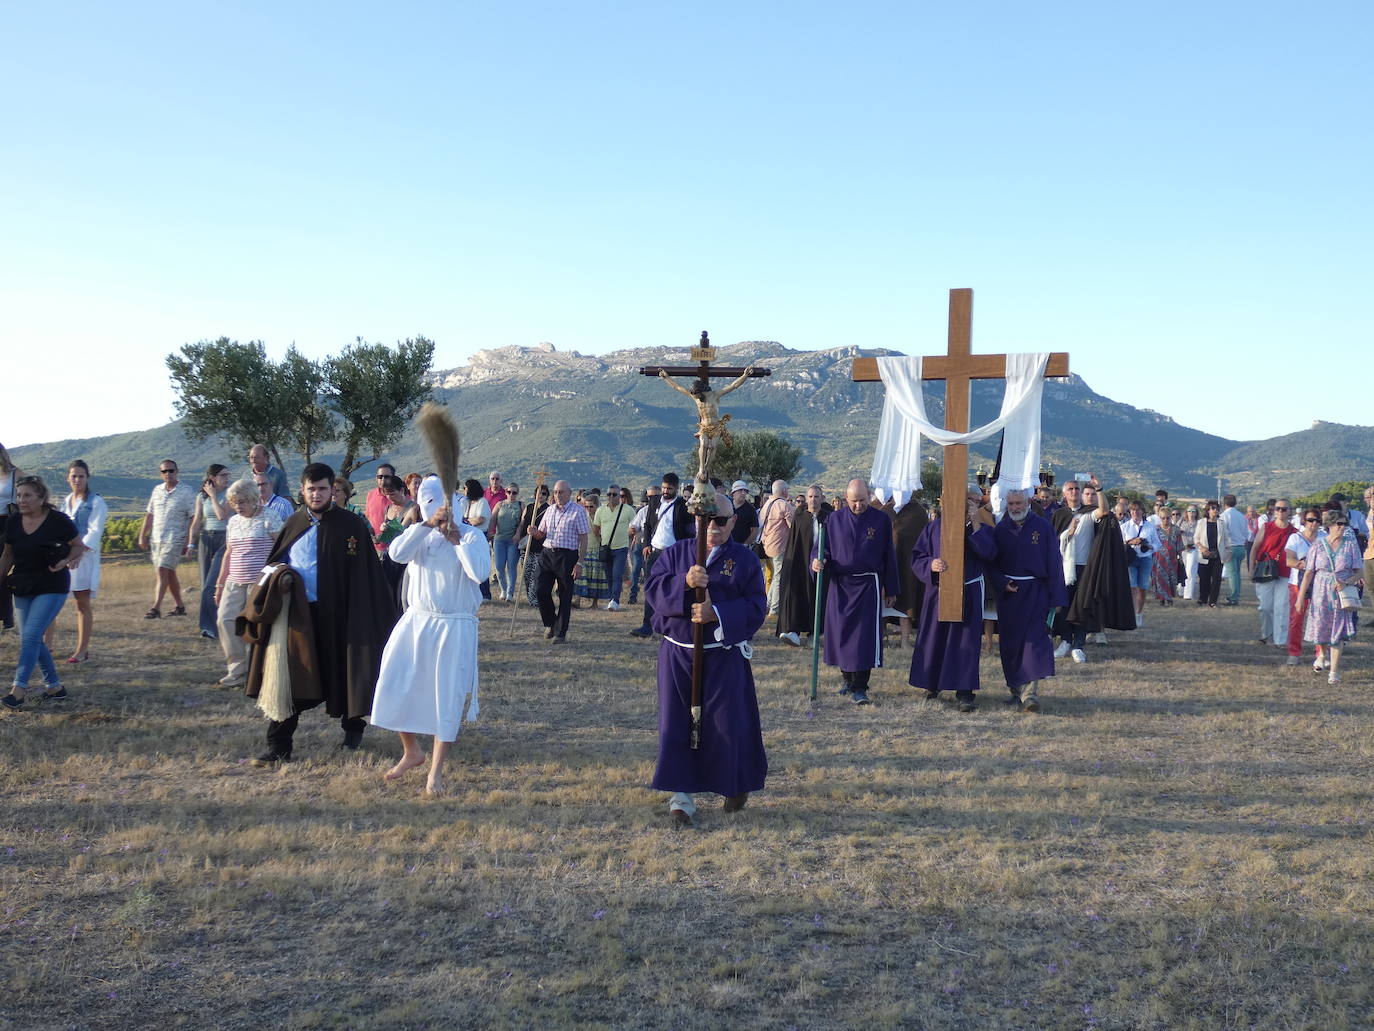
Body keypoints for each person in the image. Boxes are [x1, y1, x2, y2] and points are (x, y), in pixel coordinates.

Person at [247, 463, 398, 764]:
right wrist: (281, 575)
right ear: (302, 491)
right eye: (311, 489)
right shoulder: (293, 523)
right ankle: (279, 747)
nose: (317, 494)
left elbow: (367, 573)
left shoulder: (350, 525)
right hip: (301, 618)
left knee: (348, 672)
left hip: (343, 617)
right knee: (290, 677)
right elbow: (272, 564)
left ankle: (353, 729)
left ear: (333, 490)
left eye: (323, 488)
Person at [643, 491, 767, 828]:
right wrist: (683, 583)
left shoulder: (745, 560)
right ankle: (682, 797)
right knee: (677, 724)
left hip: (722, 655)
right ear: (695, 520)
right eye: (706, 519)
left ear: (733, 523)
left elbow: (758, 606)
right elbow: (653, 590)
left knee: (727, 724)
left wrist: (718, 613)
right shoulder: (676, 553)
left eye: (721, 520)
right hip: (678, 654)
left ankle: (733, 783)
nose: (713, 525)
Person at [371, 476, 491, 796]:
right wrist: (425, 524)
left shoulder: (472, 536)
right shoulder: (419, 534)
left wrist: (455, 540)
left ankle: (435, 772)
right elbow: (397, 553)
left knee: (446, 697)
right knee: (396, 683)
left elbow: (478, 573)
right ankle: (412, 751)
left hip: (454, 626)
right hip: (417, 620)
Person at [909, 484, 997, 711]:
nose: (972, 505)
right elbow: (918, 557)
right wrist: (931, 564)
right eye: (968, 500)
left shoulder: (982, 528)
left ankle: (964, 692)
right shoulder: (934, 527)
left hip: (969, 590)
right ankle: (931, 684)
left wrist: (975, 522)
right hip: (939, 591)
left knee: (965, 643)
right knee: (934, 639)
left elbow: (988, 552)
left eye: (976, 502)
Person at [1, 476, 85, 708]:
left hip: (52, 584)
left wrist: (65, 561)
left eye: (27, 495)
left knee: (30, 636)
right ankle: (55, 687)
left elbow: (78, 546)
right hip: (22, 585)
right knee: (31, 639)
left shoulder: (58, 520)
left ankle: (18, 690)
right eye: (19, 496)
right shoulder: (14, 522)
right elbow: (8, 555)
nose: (22, 500)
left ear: (41, 498)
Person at [812, 480, 897, 705]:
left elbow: (890, 555)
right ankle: (847, 680)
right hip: (840, 585)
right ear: (845, 498)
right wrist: (817, 561)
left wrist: (892, 587)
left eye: (862, 500)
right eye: (854, 501)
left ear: (869, 497)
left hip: (868, 585)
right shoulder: (833, 520)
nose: (858, 505)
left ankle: (860, 684)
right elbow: (822, 549)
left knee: (863, 637)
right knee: (841, 634)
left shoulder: (881, 520)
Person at [992, 488, 1067, 712]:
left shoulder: (1042, 527)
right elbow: (992, 563)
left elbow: (1054, 561)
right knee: (1011, 644)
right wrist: (1001, 581)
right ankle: (1015, 689)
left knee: (1034, 641)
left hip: (1036, 591)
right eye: (1011, 504)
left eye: (1019, 503)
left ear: (1028, 502)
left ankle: (1029, 694)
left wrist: (1057, 596)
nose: (1015, 508)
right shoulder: (1001, 529)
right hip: (1010, 594)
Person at [213, 477, 285, 687]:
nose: (238, 506)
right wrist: (219, 584)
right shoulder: (233, 521)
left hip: (258, 583)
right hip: (234, 581)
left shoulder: (269, 517)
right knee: (224, 620)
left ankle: (257, 672)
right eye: (234, 502)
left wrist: (274, 579)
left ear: (254, 499)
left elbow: (280, 550)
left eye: (242, 501)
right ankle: (236, 671)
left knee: (255, 627)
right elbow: (229, 553)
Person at [1296, 509, 1363, 685]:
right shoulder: (1318, 545)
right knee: (1321, 626)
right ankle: (1322, 655)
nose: (1343, 527)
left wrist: (1347, 582)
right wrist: (1300, 597)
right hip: (1320, 593)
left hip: (1340, 593)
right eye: (1339, 524)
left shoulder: (1350, 545)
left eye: (1345, 524)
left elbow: (1359, 571)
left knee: (1338, 631)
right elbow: (1309, 573)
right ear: (1330, 525)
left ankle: (1334, 671)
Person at [1049, 479, 1108, 662]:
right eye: (1070, 489)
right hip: (1063, 567)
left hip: (1084, 566)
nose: (1074, 492)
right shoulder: (1058, 515)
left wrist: (1098, 489)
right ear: (1064, 494)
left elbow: (1104, 511)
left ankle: (1078, 645)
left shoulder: (1089, 513)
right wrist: (1068, 533)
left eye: (1076, 489)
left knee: (1082, 606)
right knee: (1063, 606)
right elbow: (1052, 541)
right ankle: (1066, 640)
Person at [57, 460, 108, 664]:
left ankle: (82, 650)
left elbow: (95, 531)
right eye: (74, 476)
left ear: (87, 478)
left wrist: (77, 553)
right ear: (68, 478)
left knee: (82, 602)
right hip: (67, 557)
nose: (77, 479)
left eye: (81, 476)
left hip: (85, 559)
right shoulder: (66, 500)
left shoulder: (96, 502)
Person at [631, 474, 693, 637]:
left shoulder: (683, 505)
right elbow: (647, 524)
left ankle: (672, 625)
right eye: (664, 488)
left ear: (676, 488)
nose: (665, 491)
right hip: (655, 551)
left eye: (669, 489)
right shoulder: (654, 501)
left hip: (675, 553)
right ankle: (647, 625)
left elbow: (689, 530)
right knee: (651, 588)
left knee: (675, 589)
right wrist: (646, 544)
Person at [138, 458, 198, 619]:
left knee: (162, 570)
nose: (168, 474)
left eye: (171, 470)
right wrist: (142, 535)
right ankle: (180, 606)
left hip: (175, 537)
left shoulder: (186, 491)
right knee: (169, 573)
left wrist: (188, 539)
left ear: (177, 472)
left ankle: (155, 608)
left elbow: (194, 516)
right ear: (161, 473)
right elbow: (150, 514)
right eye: (164, 471)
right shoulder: (157, 490)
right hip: (156, 538)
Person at [530, 480, 589, 642]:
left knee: (564, 595)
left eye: (561, 492)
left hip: (567, 556)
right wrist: (534, 532)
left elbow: (584, 538)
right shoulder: (549, 510)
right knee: (540, 590)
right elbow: (541, 534)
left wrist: (579, 562)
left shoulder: (578, 511)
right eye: (555, 492)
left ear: (569, 493)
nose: (557, 495)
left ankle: (561, 632)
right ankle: (550, 622)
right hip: (547, 554)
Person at [776, 485, 831, 646]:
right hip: (800, 564)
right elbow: (794, 543)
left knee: (818, 597)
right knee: (798, 595)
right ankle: (793, 630)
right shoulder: (799, 518)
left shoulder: (828, 518)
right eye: (811, 496)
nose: (813, 500)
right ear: (806, 499)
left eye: (816, 496)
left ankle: (815, 633)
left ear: (822, 498)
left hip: (821, 565)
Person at [187, 464, 232, 640]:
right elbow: (198, 520)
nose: (227, 478)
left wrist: (213, 496)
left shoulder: (231, 494)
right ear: (212, 477)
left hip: (224, 538)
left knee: (212, 585)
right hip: (206, 537)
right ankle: (208, 626)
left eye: (228, 474)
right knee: (205, 583)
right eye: (223, 475)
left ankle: (211, 626)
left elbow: (222, 516)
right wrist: (191, 543)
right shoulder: (201, 497)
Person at [1252, 499, 1296, 648]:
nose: (1281, 511)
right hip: (1265, 571)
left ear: (1290, 511)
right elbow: (1255, 548)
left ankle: (1280, 640)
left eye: (1284, 509)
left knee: (1281, 608)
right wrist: (1251, 568)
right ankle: (1266, 633)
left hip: (1285, 572)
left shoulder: (1295, 532)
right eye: (1278, 508)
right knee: (1265, 607)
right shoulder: (1266, 527)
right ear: (1273, 510)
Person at [890, 495, 931, 649]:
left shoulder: (918, 513)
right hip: (887, 563)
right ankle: (879, 637)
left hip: (907, 563)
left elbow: (923, 538)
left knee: (908, 599)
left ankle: (905, 640)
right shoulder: (885, 509)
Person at [1285, 507, 1322, 667]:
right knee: (1296, 619)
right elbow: (1288, 560)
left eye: (1317, 520)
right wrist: (1300, 564)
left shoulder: (1324, 537)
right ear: (1303, 521)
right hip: (1297, 584)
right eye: (1310, 520)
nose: (1313, 523)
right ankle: (1294, 653)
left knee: (1320, 619)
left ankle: (1321, 653)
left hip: (1319, 585)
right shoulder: (1295, 538)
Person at [1119, 500, 1161, 628]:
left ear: (1142, 511)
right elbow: (1119, 543)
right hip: (1130, 559)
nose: (1135, 512)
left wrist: (1147, 545)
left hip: (1145, 558)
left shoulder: (1149, 526)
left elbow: (1157, 544)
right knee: (1132, 587)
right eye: (1132, 510)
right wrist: (1132, 541)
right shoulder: (1125, 527)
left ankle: (1139, 613)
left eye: (1137, 510)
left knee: (1142, 587)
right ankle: (1131, 614)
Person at [376, 474, 417, 600]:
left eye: (392, 493)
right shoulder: (389, 507)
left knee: (403, 595)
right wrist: (383, 529)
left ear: (402, 490)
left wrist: (395, 529)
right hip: (389, 556)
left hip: (405, 558)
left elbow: (413, 532)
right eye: (387, 494)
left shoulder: (413, 508)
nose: (389, 497)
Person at [593, 483, 633, 610]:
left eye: (614, 494)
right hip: (606, 548)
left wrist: (632, 538)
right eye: (609, 494)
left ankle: (615, 600)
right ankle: (612, 599)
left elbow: (635, 526)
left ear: (619, 495)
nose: (611, 497)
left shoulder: (627, 510)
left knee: (617, 574)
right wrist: (602, 539)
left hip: (621, 548)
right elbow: (596, 528)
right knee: (609, 575)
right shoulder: (600, 510)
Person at [757, 480, 794, 615]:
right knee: (779, 577)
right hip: (780, 546)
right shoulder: (784, 505)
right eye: (787, 490)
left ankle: (768, 604)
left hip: (767, 544)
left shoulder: (767, 504)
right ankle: (774, 609)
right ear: (783, 491)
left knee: (776, 575)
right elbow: (793, 526)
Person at [1194, 500, 1232, 608]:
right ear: (1208, 510)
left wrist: (1229, 551)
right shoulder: (1201, 522)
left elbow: (1226, 538)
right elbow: (1196, 538)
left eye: (1217, 508)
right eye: (1213, 508)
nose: (1215, 510)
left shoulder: (1221, 523)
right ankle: (1203, 598)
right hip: (1205, 553)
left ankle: (1213, 600)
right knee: (1204, 578)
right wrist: (1202, 548)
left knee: (1216, 578)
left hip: (1218, 554)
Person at [573, 493, 609, 605]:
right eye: (586, 506)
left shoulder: (602, 517)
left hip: (597, 549)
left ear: (597, 506)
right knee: (581, 576)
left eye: (591, 506)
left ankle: (594, 603)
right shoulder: (583, 516)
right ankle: (577, 600)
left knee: (595, 577)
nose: (588, 509)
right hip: (585, 549)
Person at [626, 486, 659, 607]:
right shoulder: (643, 511)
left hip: (654, 547)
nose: (651, 499)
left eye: (654, 496)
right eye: (648, 497)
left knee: (649, 572)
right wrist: (633, 530)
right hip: (641, 545)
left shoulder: (663, 510)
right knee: (635, 570)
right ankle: (633, 595)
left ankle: (650, 597)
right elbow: (633, 526)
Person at [490, 484, 523, 602]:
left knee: (511, 567)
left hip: (513, 540)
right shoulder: (500, 504)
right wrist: (490, 532)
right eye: (509, 492)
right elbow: (493, 519)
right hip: (499, 539)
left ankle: (510, 592)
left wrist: (518, 534)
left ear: (517, 493)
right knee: (499, 566)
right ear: (506, 492)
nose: (511, 495)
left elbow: (522, 522)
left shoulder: (520, 505)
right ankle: (503, 589)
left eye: (514, 492)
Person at [0, 443, 19, 630]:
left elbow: (31, 490)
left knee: (3, 569)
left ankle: (7, 617)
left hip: (7, 522)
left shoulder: (15, 473)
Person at [1218, 494, 1250, 605]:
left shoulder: (1224, 516)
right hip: (1241, 547)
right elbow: (1247, 533)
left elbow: (1222, 533)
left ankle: (1233, 597)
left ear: (1224, 503)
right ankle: (1236, 595)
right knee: (1236, 573)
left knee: (1232, 574)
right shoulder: (1241, 516)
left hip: (1231, 547)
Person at [1149, 504, 1181, 605]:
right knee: (1160, 578)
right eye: (1163, 518)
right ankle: (1162, 598)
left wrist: (1181, 557)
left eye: (1168, 518)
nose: (1165, 520)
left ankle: (1170, 598)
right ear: (1159, 518)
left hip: (1172, 559)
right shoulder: (1155, 529)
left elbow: (1179, 544)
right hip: (1159, 559)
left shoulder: (1176, 529)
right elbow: (1151, 544)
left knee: (1171, 579)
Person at [365, 462, 396, 536]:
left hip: (395, 543)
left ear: (393, 478)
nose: (383, 479)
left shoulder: (400, 496)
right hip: (375, 544)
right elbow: (368, 518)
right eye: (380, 477)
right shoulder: (371, 495)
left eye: (386, 477)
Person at [1179, 504, 1201, 601]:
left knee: (1190, 570)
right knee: (1183, 570)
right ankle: (1182, 590)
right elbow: (1175, 530)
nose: (1191, 513)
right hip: (1183, 549)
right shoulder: (1182, 523)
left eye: (1193, 511)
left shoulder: (1199, 523)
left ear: (1196, 513)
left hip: (1194, 548)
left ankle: (1188, 594)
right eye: (1189, 511)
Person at [729, 480, 758, 546]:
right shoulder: (727, 505)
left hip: (741, 546)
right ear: (733, 493)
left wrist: (746, 544)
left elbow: (755, 529)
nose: (743, 493)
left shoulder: (750, 510)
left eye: (745, 491)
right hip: (725, 545)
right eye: (740, 490)